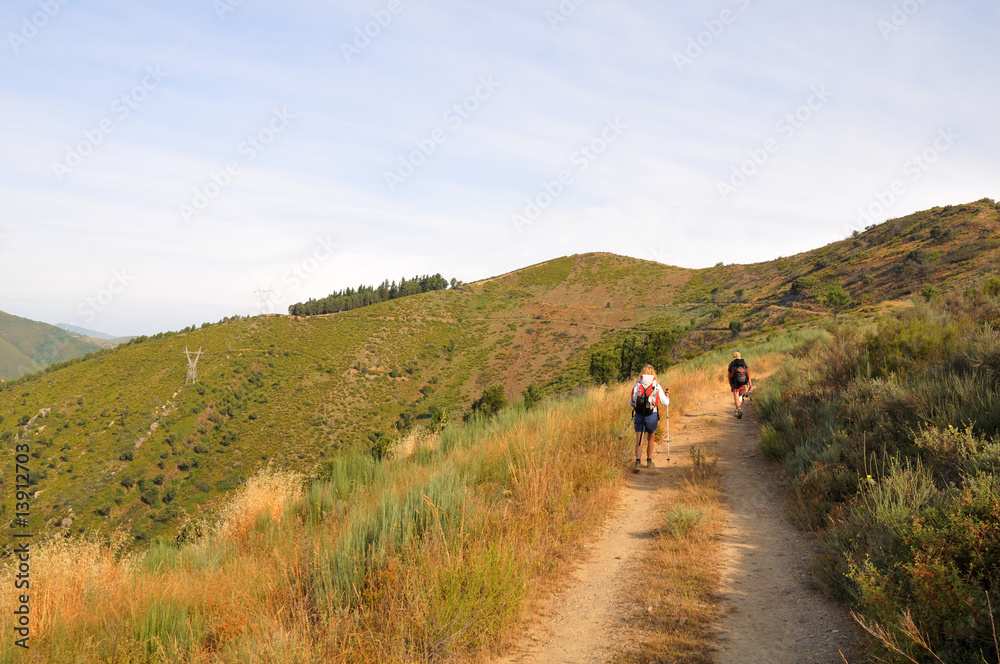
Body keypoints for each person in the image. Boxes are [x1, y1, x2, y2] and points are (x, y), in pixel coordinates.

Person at [629, 364, 669, 473]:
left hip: (639, 415)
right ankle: (649, 462)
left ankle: (637, 463)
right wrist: (667, 396)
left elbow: (631, 402)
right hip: (652, 415)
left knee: (639, 440)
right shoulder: (656, 386)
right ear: (653, 373)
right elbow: (665, 402)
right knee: (651, 438)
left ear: (642, 373)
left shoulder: (637, 385)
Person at [728, 351, 752, 419]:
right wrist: (750, 382)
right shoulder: (744, 363)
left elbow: (729, 375)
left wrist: (730, 382)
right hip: (743, 382)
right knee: (740, 396)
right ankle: (738, 409)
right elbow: (748, 373)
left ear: (734, 357)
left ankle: (738, 409)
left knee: (736, 395)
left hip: (735, 382)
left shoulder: (732, 364)